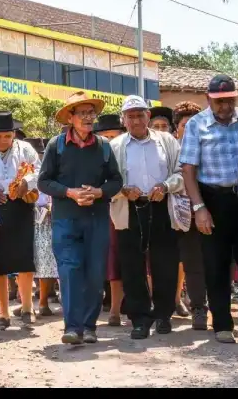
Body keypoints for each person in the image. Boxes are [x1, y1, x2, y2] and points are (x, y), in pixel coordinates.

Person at [179, 74, 238, 344]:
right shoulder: (196, 124)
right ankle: (222, 325)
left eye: (229, 100)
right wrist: (199, 207)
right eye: (219, 101)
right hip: (212, 201)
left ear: (236, 97)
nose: (225, 106)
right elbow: (188, 169)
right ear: (208, 99)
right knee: (215, 265)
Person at [38, 91, 123, 346]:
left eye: (91, 113)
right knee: (70, 270)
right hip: (66, 219)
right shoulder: (57, 145)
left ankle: (89, 326)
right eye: (83, 113)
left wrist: (99, 192)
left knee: (96, 272)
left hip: (97, 218)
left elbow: (116, 181)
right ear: (70, 117)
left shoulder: (104, 146)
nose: (88, 117)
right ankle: (72, 327)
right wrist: (70, 193)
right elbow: (43, 181)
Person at [110, 96, 186, 340]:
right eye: (130, 116)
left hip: (161, 205)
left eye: (140, 115)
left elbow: (181, 172)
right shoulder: (115, 146)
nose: (136, 120)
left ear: (149, 117)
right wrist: (122, 189)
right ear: (123, 120)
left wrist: (165, 186)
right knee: (132, 265)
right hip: (129, 208)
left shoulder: (167, 142)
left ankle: (163, 315)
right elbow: (108, 179)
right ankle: (140, 319)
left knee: (165, 262)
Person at [0, 111, 40, 330]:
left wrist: (27, 183)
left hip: (22, 206)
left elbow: (39, 171)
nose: (2, 140)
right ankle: (2, 312)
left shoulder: (26, 149)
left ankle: (27, 307)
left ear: (13, 134)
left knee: (24, 257)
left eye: (7, 135)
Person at [172, 101, 208, 330]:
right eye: (186, 125)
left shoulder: (210, 147)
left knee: (217, 262)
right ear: (178, 128)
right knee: (193, 263)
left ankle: (220, 307)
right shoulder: (172, 150)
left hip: (213, 210)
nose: (190, 129)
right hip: (185, 215)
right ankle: (198, 309)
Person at [94, 114, 125, 326]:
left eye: (114, 135)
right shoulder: (95, 153)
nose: (110, 140)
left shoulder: (127, 149)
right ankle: (112, 308)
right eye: (106, 136)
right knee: (110, 260)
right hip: (102, 210)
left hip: (130, 207)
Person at [27, 138, 58, 317]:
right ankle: (27, 302)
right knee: (27, 262)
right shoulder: (26, 173)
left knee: (47, 261)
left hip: (48, 222)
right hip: (28, 220)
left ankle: (43, 301)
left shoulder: (55, 172)